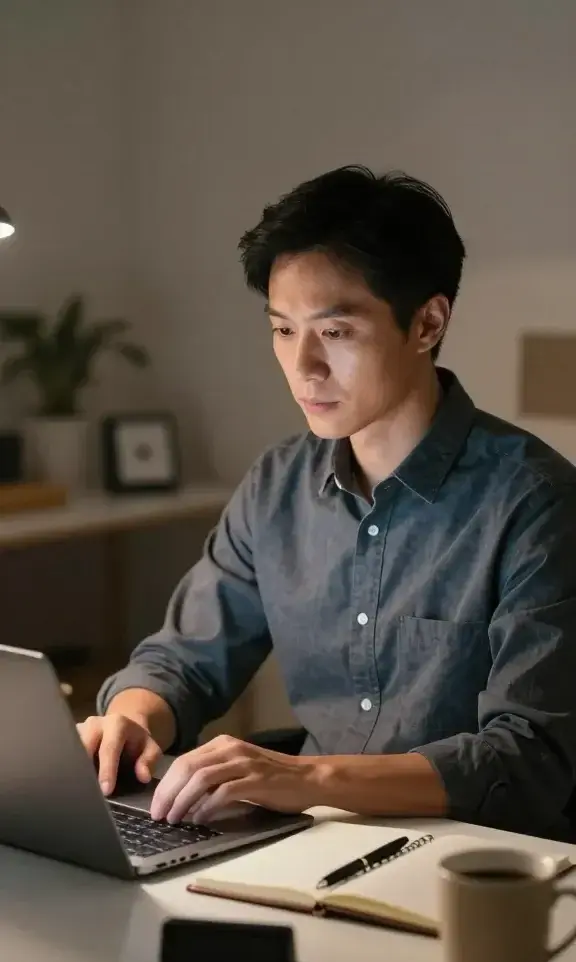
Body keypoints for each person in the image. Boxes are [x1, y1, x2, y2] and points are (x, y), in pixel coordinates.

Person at [79, 166, 576, 840]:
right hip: (306, 844)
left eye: (335, 333)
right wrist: (132, 718)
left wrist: (305, 779)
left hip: (478, 863)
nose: (303, 365)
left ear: (427, 323)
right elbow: (184, 660)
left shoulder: (535, 502)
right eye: (284, 330)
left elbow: (528, 760)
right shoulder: (278, 484)